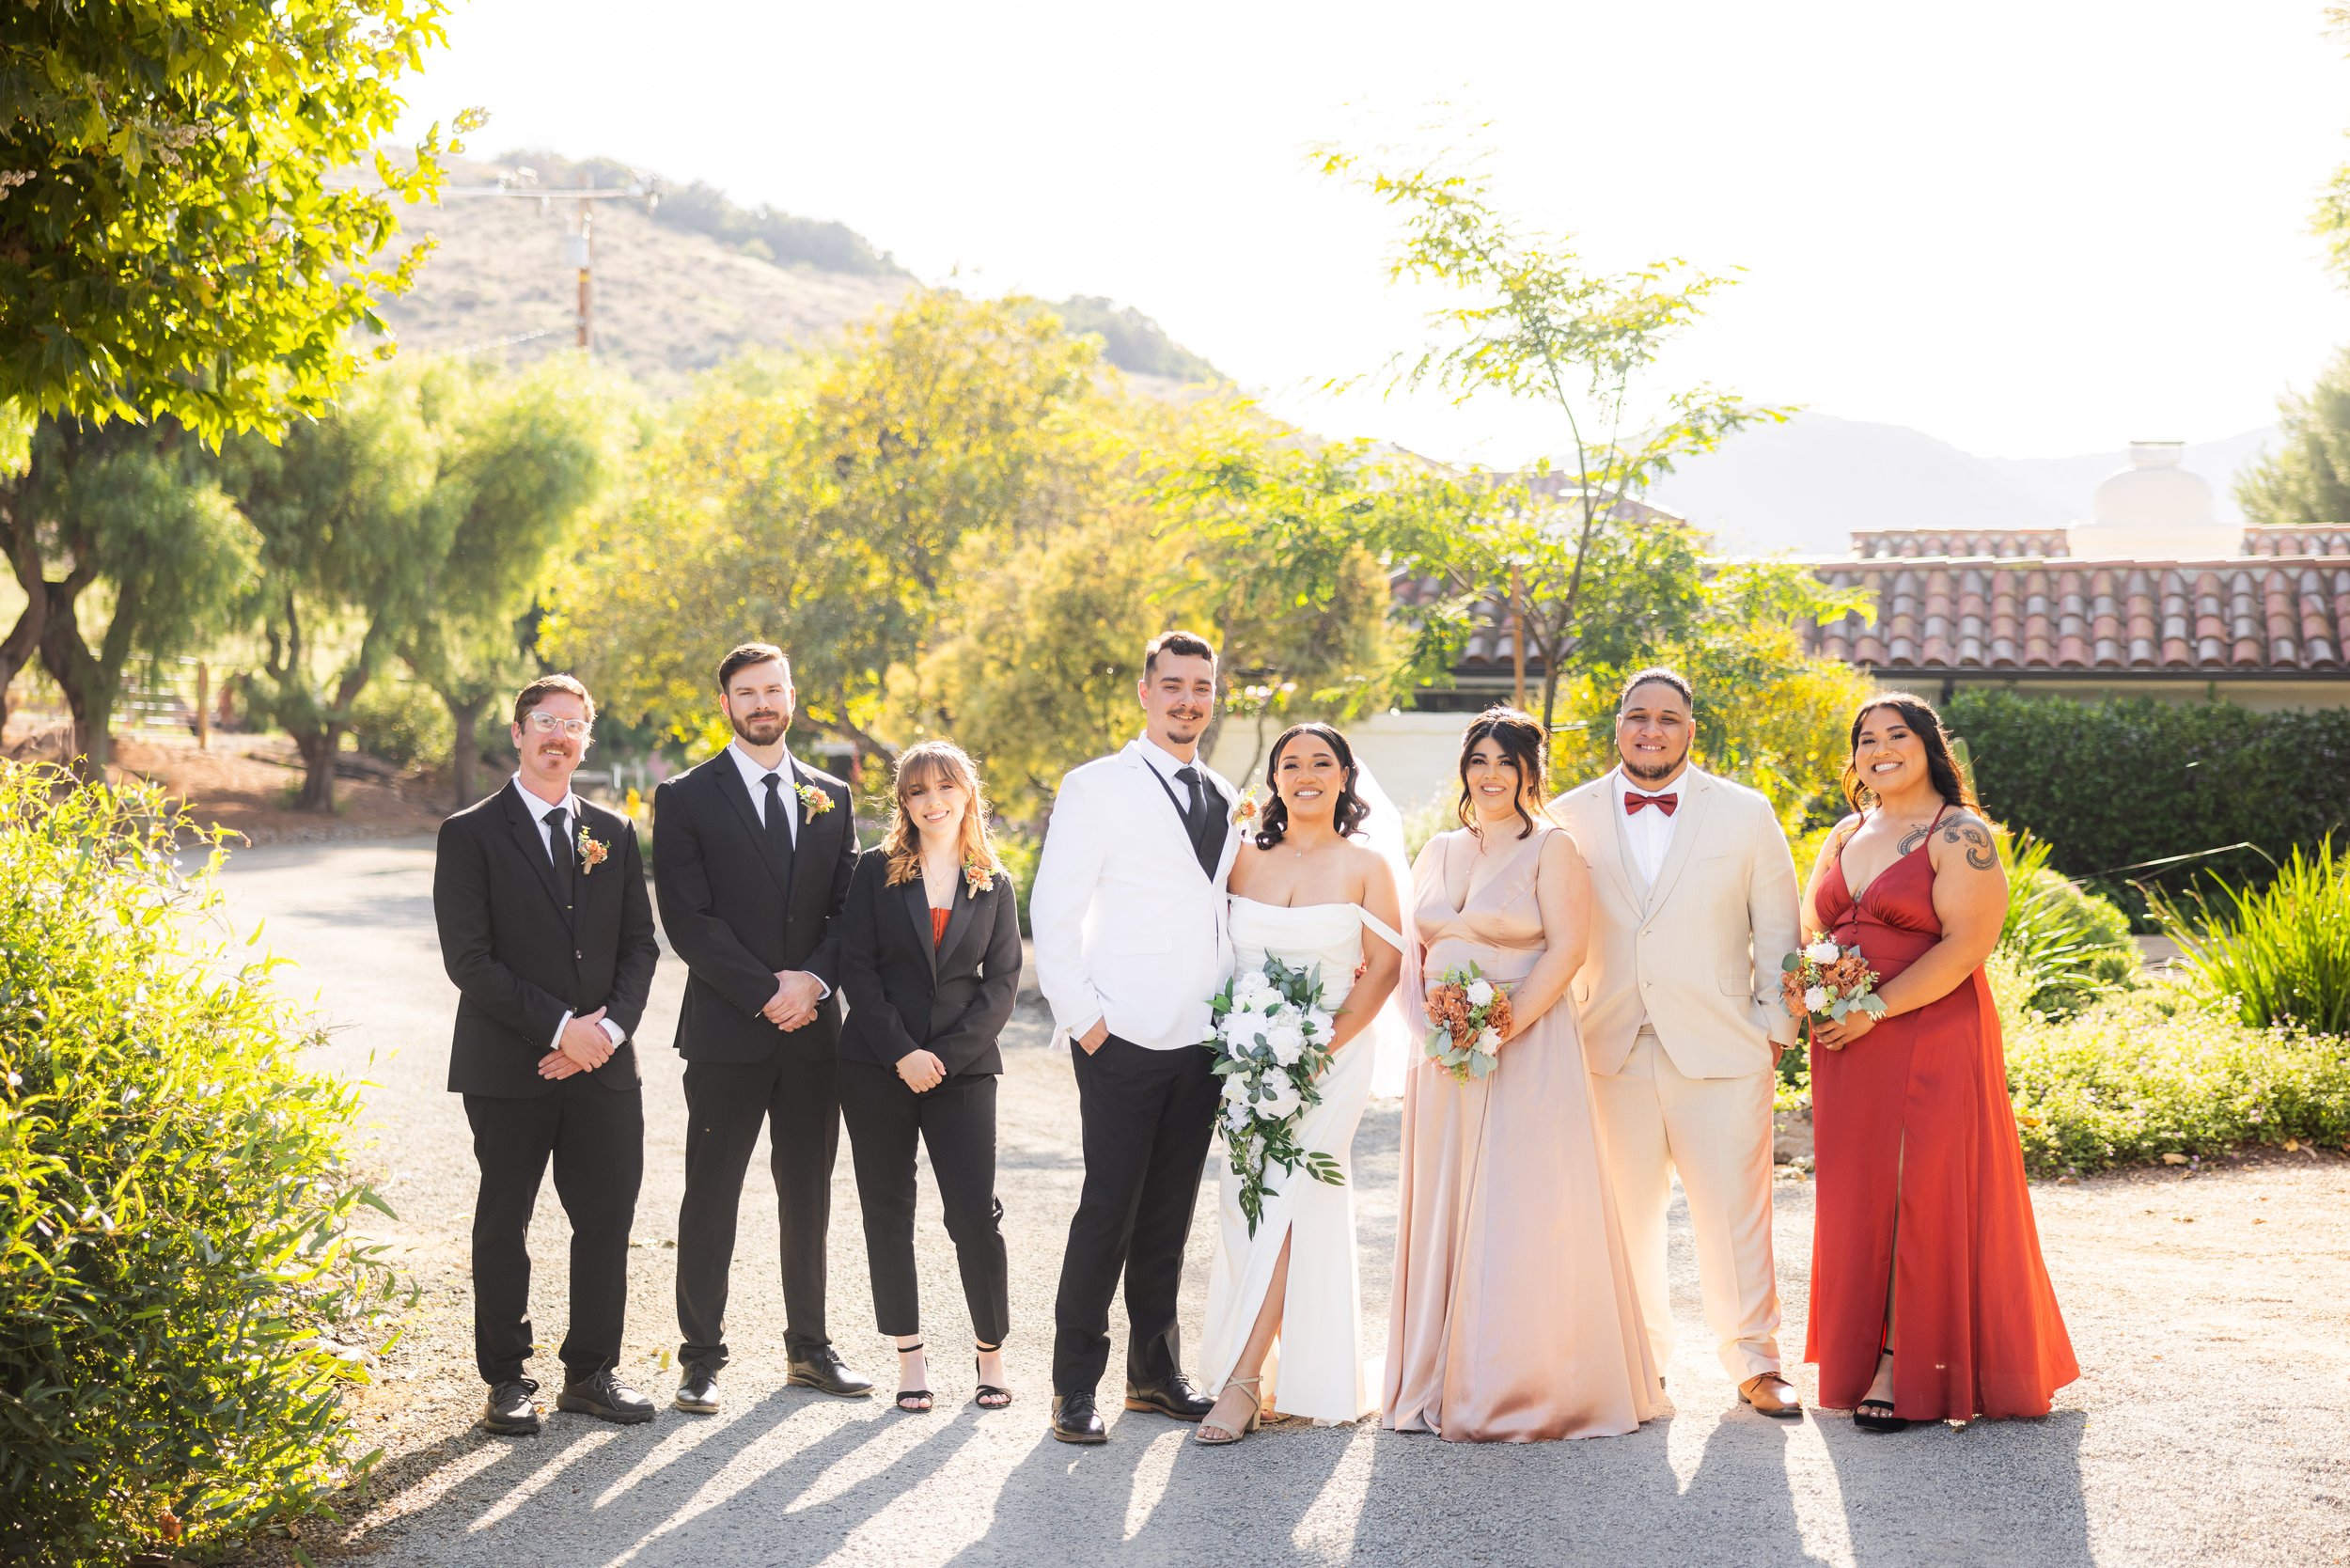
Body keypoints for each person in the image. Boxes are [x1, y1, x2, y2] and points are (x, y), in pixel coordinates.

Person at [1801, 693, 2078, 1431]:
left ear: (1930, 747)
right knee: (1861, 1196)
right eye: (1866, 739)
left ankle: (1901, 1362)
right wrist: (1818, 995)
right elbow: (1810, 927)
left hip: (1924, 1030)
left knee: (1915, 1192)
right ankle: (1864, 1355)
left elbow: (1966, 946)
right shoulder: (1843, 832)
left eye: (1898, 735)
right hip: (1844, 1042)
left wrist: (1873, 1009)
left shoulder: (1960, 833)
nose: (1880, 748)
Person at [1384, 708, 1661, 1442]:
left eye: (1507, 761)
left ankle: (1521, 1383)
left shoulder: (1554, 849)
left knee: (1521, 1204)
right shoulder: (1438, 849)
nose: (1491, 774)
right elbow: (1412, 954)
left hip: (1527, 1046)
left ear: (1531, 772)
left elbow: (1567, 951)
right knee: (1447, 1204)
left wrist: (1498, 1028)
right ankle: (1436, 1374)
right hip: (1444, 1055)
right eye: (1479, 760)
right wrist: (1434, 1031)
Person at [1549, 667, 1806, 1417]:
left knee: (1735, 1216)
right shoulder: (1566, 818)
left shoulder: (1746, 813)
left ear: (1691, 731)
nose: (1651, 730)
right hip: (1607, 1049)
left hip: (1725, 1050)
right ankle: (1637, 1364)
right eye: (1638, 717)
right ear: (1617, 727)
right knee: (1622, 1219)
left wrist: (1773, 1032)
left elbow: (1780, 932)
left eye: (1668, 719)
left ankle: (1756, 1363)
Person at [433, 674, 660, 1435]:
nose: (559, 735)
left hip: (606, 1068)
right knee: (506, 1222)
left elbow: (639, 948)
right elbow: (469, 960)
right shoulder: (468, 834)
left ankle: (591, 1373)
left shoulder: (615, 832)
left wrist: (607, 1034)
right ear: (519, 731)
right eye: (545, 721)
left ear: (586, 739)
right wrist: (562, 1029)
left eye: (574, 723)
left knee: (605, 1220)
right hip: (510, 1067)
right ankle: (505, 1379)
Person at [1032, 630, 1239, 1444]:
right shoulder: (1096, 787)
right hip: (1120, 1038)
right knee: (1107, 1212)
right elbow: (1055, 908)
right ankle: (1073, 1387)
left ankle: (1153, 1374)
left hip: (1202, 1042)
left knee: (1169, 1217)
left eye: (1203, 687)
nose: (1190, 700)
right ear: (1146, 693)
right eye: (1175, 685)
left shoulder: (1223, 791)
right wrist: (1086, 1022)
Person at [653, 642, 869, 1412]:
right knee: (711, 1191)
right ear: (726, 705)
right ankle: (701, 1357)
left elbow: (851, 909)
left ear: (791, 696)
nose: (762, 704)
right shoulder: (684, 797)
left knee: (807, 1189)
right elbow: (689, 918)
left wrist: (811, 982)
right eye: (747, 693)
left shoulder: (830, 795)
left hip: (814, 1031)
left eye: (773, 689)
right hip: (726, 1028)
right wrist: (764, 991)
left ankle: (809, 1350)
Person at [1195, 722, 1404, 1445]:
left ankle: (1244, 1381)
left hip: (1331, 1061)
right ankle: (1271, 1366)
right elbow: (1217, 957)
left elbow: (1382, 968)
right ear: (1275, 779)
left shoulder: (1366, 867)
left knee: (1293, 1198)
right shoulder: (1244, 861)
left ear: (1346, 776)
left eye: (1322, 762)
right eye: (1291, 764)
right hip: (1249, 1063)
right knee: (1243, 1203)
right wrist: (1243, 1041)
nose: (1305, 774)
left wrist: (1321, 1045)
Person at [837, 741, 1022, 1414]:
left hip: (965, 1070)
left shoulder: (993, 880)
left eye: (946, 787)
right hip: (877, 1066)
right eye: (918, 791)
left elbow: (1000, 984)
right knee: (888, 1212)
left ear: (968, 793)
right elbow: (857, 968)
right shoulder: (874, 870)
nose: (933, 801)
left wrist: (944, 1055)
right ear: (904, 803)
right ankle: (910, 1359)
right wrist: (902, 1053)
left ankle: (990, 1355)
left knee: (974, 1215)